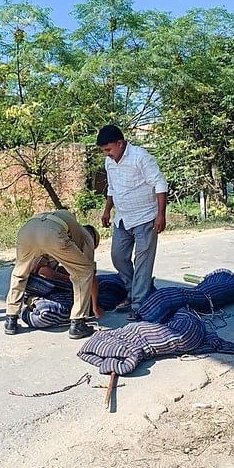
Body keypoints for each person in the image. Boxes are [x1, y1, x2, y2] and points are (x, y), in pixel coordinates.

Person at [97, 125, 168, 321]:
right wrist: (107, 209)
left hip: (146, 217)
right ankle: (133, 290)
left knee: (143, 261)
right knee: (118, 256)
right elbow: (112, 187)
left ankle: (139, 305)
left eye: (109, 149)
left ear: (120, 143)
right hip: (123, 218)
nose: (107, 154)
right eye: (104, 151)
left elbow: (160, 183)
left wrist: (161, 215)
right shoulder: (109, 163)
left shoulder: (140, 157)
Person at [4, 210, 102, 339]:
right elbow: (90, 274)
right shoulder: (87, 237)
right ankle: (78, 323)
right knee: (84, 273)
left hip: (28, 230)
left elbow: (38, 266)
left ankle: (11, 320)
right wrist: (96, 307)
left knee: (20, 273)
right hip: (52, 233)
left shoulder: (67, 226)